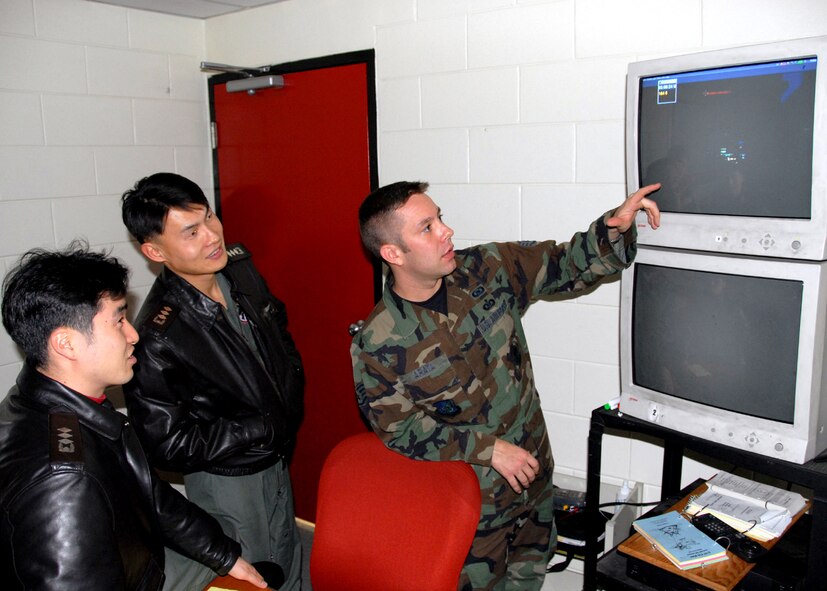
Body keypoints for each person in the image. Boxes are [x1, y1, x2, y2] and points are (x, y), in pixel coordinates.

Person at [351, 181, 661, 590]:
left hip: (533, 481)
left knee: (528, 580)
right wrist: (489, 450)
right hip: (473, 511)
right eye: (426, 227)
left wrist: (613, 228)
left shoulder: (487, 267)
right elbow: (399, 431)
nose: (446, 231)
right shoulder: (379, 342)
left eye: (440, 217)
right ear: (393, 253)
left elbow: (565, 264)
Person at [0, 244, 268, 591]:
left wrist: (225, 556)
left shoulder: (61, 402)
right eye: (119, 320)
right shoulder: (64, 480)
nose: (134, 335)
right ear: (66, 344)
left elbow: (150, 494)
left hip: (138, 561)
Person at [120, 172, 305, 590]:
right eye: (191, 231)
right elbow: (164, 444)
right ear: (154, 250)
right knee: (252, 574)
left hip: (274, 454)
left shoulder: (237, 269)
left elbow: (279, 335)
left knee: (287, 555)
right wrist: (255, 428)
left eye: (210, 218)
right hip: (229, 478)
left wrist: (287, 398)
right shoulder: (158, 336)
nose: (211, 236)